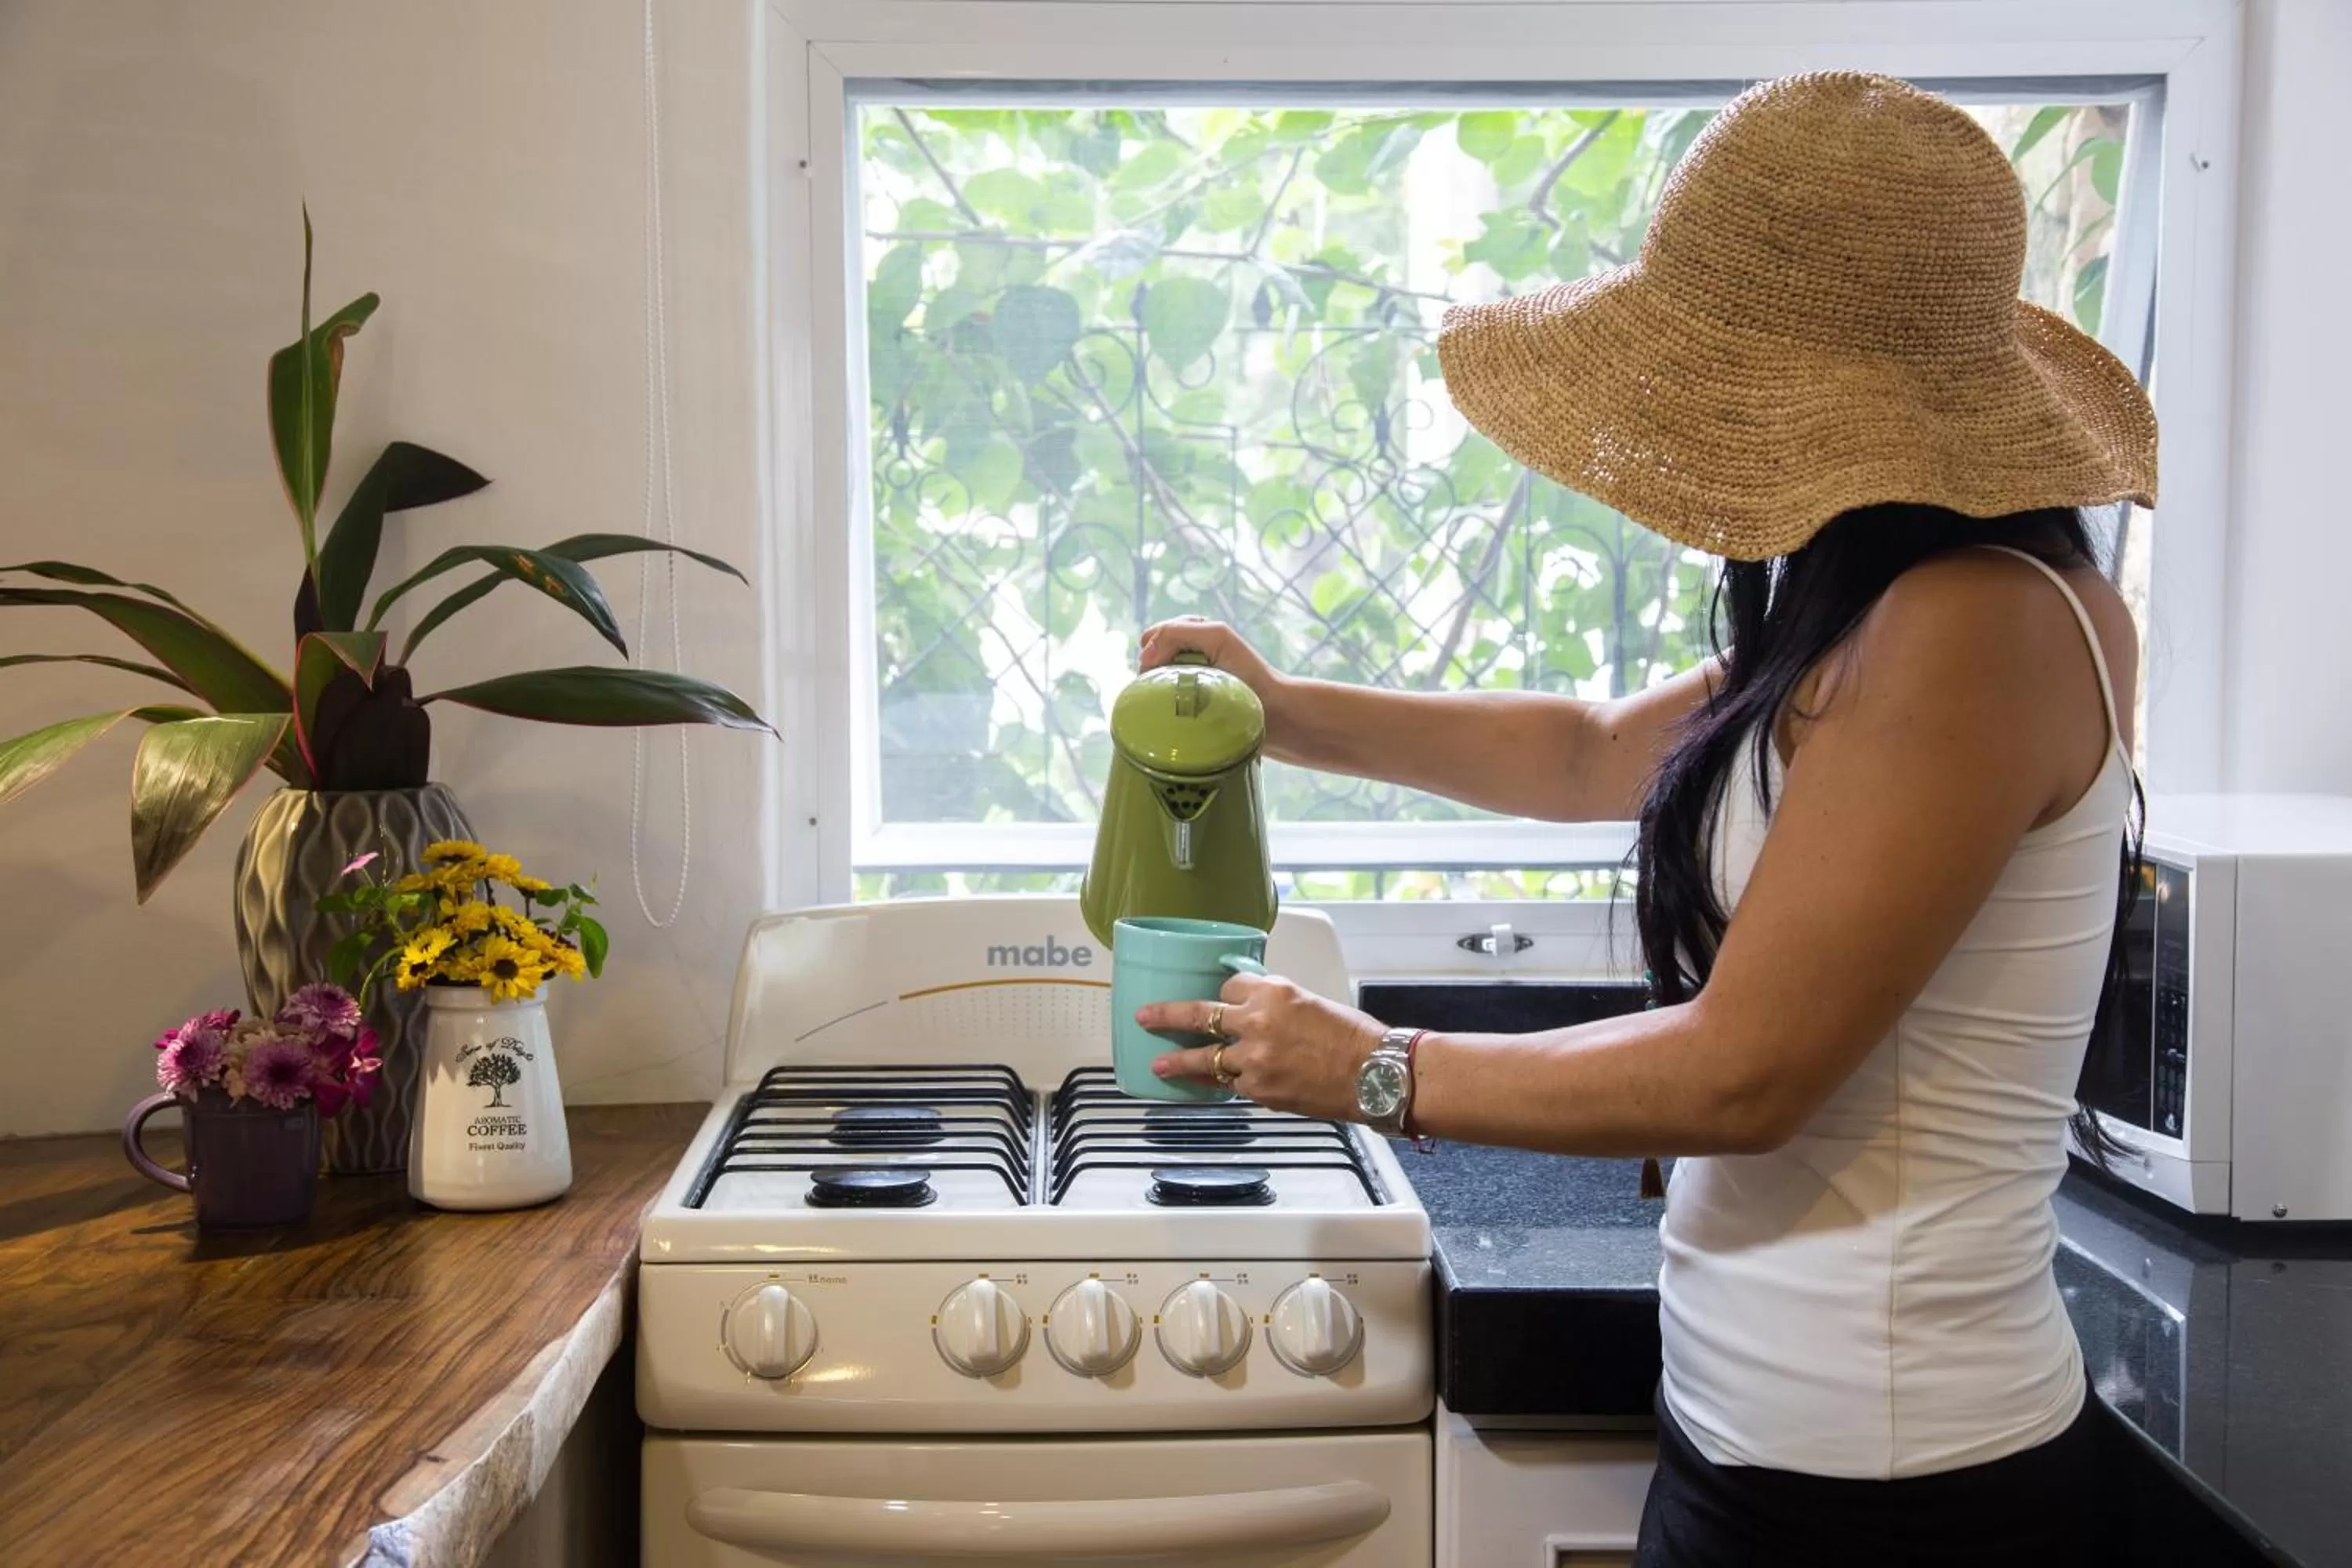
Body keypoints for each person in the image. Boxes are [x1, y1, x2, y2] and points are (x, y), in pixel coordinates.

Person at [1133, 73, 2154, 1566]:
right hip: (1774, 1442)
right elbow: (1590, 752)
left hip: (1896, 1492)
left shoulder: (1978, 625)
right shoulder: (1878, 603)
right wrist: (1284, 712)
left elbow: (1744, 1075)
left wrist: (1375, 1069)